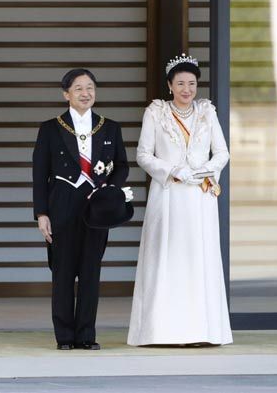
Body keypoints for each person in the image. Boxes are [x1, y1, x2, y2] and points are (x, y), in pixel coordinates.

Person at [128, 54, 233, 346]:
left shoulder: (206, 112)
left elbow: (222, 152)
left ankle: (203, 331)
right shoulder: (156, 112)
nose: (187, 89)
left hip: (200, 196)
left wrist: (205, 171)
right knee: (168, 256)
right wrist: (173, 170)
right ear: (170, 85)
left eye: (192, 83)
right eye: (181, 83)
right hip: (169, 194)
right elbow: (143, 155)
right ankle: (162, 332)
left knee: (198, 258)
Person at [33, 69, 129, 350]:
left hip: (96, 210)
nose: (85, 93)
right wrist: (42, 214)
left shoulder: (110, 127)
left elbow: (122, 165)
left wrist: (110, 190)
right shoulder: (51, 129)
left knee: (90, 273)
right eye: (78, 88)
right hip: (61, 207)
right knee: (62, 274)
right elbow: (39, 174)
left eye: (90, 88)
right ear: (66, 94)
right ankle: (65, 337)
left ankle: (86, 335)